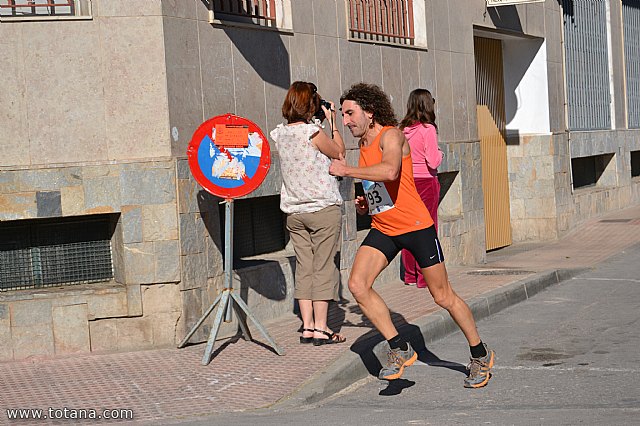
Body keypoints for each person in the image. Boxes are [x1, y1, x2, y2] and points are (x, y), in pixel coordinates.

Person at [329, 83, 494, 387]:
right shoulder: (363, 144)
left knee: (443, 296)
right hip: (385, 229)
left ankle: (480, 354)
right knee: (357, 284)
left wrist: (348, 171)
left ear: (370, 111)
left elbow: (391, 170)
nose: (346, 120)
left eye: (350, 113)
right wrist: (368, 203)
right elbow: (384, 186)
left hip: (416, 228)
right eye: (343, 114)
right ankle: (399, 347)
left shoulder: (391, 135)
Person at [270, 81, 347, 346]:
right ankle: (322, 327)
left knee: (304, 268)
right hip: (322, 208)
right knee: (323, 267)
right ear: (310, 105)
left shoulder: (280, 134)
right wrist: (333, 122)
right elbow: (339, 151)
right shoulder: (313, 132)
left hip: (294, 212)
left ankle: (308, 327)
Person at [399, 89, 443, 288]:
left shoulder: (402, 130)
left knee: (409, 228)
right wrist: (440, 153)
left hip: (407, 182)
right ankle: (425, 277)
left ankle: (409, 275)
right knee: (428, 229)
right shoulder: (428, 129)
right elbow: (433, 162)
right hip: (426, 182)